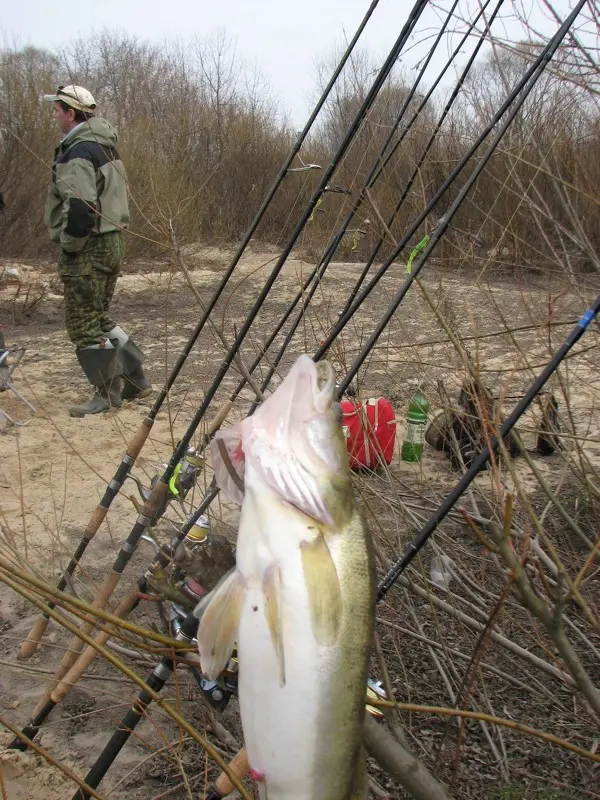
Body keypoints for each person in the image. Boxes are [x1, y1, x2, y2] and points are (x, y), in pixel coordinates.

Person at [43, 84, 151, 417]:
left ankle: (107, 394)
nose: (54, 114)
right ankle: (136, 381)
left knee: (84, 326)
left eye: (57, 109)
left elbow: (80, 207)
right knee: (101, 318)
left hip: (89, 245)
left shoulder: (78, 151)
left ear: (71, 113)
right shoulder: (105, 146)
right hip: (113, 240)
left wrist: (70, 245)